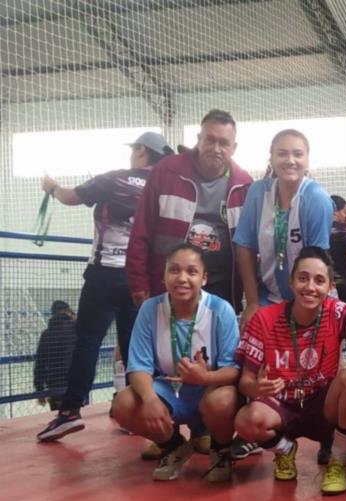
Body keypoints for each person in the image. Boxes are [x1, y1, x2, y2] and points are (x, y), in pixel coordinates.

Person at [37, 132, 173, 442]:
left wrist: (53, 187)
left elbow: (71, 197)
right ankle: (132, 410)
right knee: (132, 346)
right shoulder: (161, 187)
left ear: (141, 151)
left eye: (133, 149)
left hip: (104, 274)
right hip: (139, 279)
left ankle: (69, 412)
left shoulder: (114, 179)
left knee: (87, 341)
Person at [233, 247, 346, 494]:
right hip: (281, 405)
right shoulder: (264, 319)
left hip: (323, 406)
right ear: (291, 281)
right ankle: (285, 450)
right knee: (247, 421)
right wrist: (257, 387)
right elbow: (245, 381)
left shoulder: (338, 312)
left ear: (329, 286)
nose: (310, 287)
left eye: (319, 280)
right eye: (303, 278)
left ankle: (336, 463)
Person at [111, 244, 241, 482]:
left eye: (191, 271)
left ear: (204, 278)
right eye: (174, 270)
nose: (182, 278)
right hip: (169, 390)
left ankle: (221, 451)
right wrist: (150, 399)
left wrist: (206, 378)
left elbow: (233, 369)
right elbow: (138, 366)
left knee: (226, 400)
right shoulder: (151, 309)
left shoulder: (221, 310)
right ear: (164, 275)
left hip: (208, 391)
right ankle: (174, 446)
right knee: (124, 403)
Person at [126, 109, 252, 312]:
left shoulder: (244, 185)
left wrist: (248, 298)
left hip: (221, 288)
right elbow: (141, 229)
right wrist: (138, 281)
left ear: (234, 148)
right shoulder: (166, 171)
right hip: (169, 284)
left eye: (224, 143)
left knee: (215, 344)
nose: (216, 148)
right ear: (198, 139)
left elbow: (249, 247)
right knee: (168, 342)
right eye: (210, 140)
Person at [233, 129, 333, 329]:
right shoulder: (258, 192)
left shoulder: (316, 199)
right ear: (271, 158)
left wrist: (306, 310)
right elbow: (244, 247)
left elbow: (317, 262)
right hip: (267, 297)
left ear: (307, 159)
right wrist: (252, 302)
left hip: (308, 297)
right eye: (282, 153)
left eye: (297, 154)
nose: (290, 160)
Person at [34, 301, 77, 411]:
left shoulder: (46, 334)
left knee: (58, 416)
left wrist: (39, 389)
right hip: (75, 382)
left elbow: (40, 363)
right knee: (78, 415)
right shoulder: (76, 330)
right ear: (68, 311)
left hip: (54, 385)